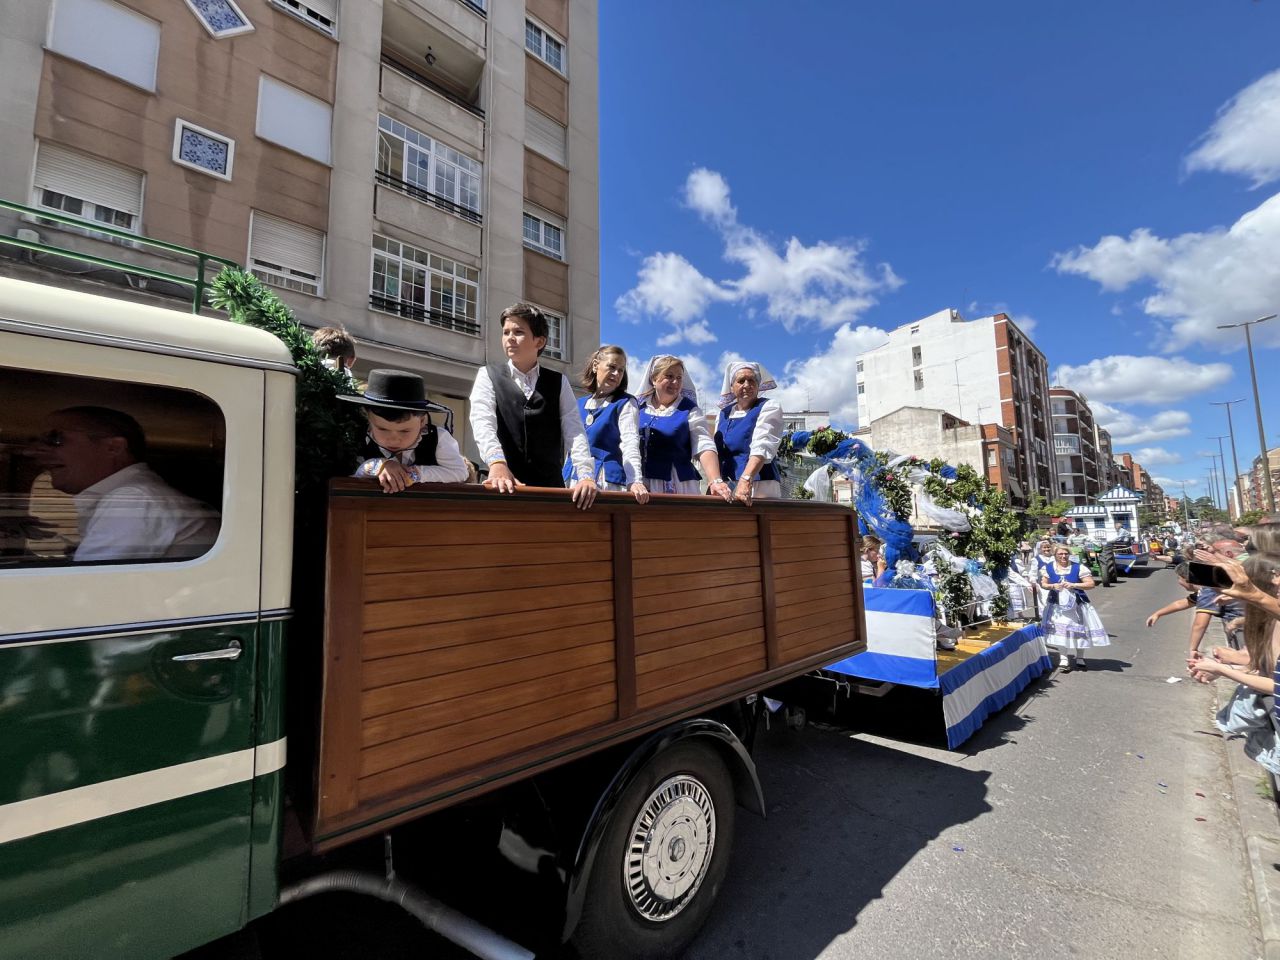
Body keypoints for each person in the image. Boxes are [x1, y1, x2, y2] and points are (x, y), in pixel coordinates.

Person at [31, 406, 219, 562]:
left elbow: (90, 588)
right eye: (35, 442)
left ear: (114, 447)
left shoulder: (134, 499)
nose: (34, 452)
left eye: (55, 439)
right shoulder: (133, 496)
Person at [469, 303, 597, 509]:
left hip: (550, 490)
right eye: (506, 332)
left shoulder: (559, 382)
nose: (509, 337)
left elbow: (574, 431)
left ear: (539, 341)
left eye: (518, 332)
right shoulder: (487, 375)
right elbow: (482, 422)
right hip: (503, 487)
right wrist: (497, 463)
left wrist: (586, 475)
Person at [340, 369, 469, 493]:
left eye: (405, 431)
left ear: (422, 421)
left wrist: (414, 473)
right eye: (382, 429)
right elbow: (348, 475)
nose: (394, 439)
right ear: (368, 418)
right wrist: (380, 465)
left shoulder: (438, 438)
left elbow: (459, 472)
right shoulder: (355, 437)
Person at [636, 355, 732, 501]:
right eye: (669, 376)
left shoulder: (689, 410)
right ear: (654, 379)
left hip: (676, 483)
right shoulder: (638, 409)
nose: (675, 382)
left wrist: (715, 480)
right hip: (642, 484)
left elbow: (703, 444)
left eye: (679, 377)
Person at [563, 346, 648, 503]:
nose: (616, 374)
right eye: (612, 367)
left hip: (606, 482)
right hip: (573, 479)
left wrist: (634, 480)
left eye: (621, 370)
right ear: (596, 365)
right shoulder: (579, 404)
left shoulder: (625, 403)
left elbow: (630, 443)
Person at [713, 361, 784, 506]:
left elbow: (762, 444)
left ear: (758, 386)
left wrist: (746, 479)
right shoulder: (722, 414)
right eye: (741, 381)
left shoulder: (768, 407)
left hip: (759, 482)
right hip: (726, 485)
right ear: (732, 387)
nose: (747, 385)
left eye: (752, 380)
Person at [1039, 543, 1109, 671]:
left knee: (1078, 630)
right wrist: (1052, 586)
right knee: (1061, 629)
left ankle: (1080, 657)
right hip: (1057, 605)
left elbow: (1091, 584)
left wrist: (1074, 584)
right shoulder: (1048, 568)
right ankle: (1064, 658)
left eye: (1066, 554)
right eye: (1060, 554)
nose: (1063, 556)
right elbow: (1043, 583)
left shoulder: (1078, 567)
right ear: (1055, 555)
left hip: (1077, 604)